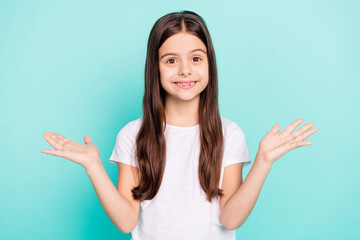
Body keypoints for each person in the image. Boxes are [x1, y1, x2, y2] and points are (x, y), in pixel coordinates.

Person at [41, 10, 318, 240]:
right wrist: (94, 167)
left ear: (210, 63)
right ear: (156, 67)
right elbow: (127, 222)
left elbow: (231, 218)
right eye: (171, 60)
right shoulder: (133, 135)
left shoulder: (229, 133)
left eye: (196, 58)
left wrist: (263, 163)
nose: (185, 70)